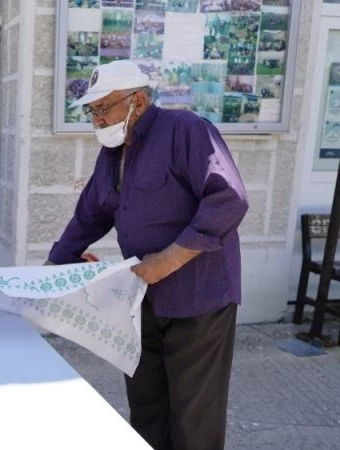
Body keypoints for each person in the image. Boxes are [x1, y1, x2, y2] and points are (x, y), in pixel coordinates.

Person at [45, 60, 248, 450]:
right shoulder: (113, 153)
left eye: (103, 108)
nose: (96, 119)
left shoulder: (185, 130)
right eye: (92, 111)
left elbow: (229, 199)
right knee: (146, 410)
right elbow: (90, 214)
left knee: (193, 421)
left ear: (137, 101)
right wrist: (53, 268)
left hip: (198, 299)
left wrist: (168, 259)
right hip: (141, 301)